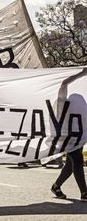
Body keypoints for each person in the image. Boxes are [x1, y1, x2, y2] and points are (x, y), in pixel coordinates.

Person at [50, 68, 87, 201]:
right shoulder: (62, 103)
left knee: (70, 166)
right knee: (77, 161)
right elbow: (64, 83)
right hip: (66, 140)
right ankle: (84, 192)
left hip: (79, 139)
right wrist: (82, 73)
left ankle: (56, 186)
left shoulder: (82, 110)